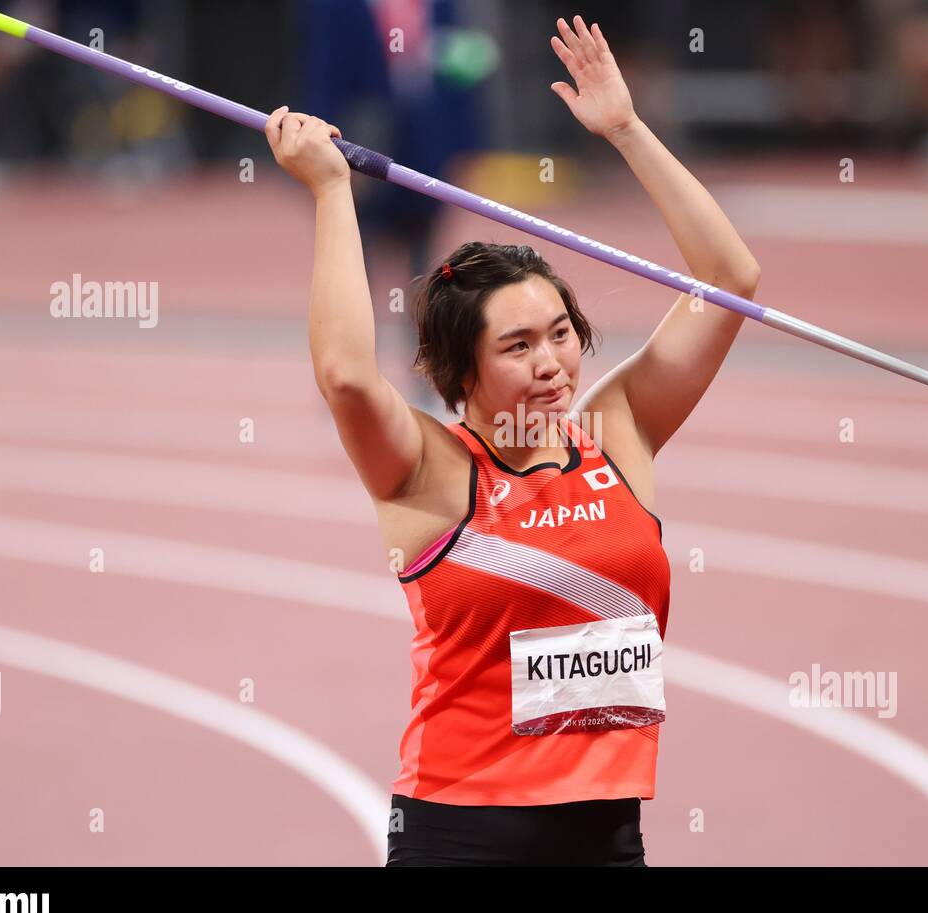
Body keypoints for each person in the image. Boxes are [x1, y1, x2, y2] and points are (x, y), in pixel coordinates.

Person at [264, 15, 760, 866]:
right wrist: (331, 191)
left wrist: (626, 132)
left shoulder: (618, 433)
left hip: (608, 833)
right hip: (461, 833)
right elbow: (347, 374)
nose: (552, 363)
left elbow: (728, 281)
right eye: (518, 346)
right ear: (462, 368)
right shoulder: (430, 469)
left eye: (561, 333)